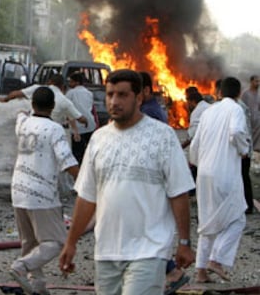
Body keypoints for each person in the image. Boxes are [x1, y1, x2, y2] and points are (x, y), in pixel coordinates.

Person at [59, 69, 195, 295]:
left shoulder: (163, 137)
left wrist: (185, 242)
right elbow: (87, 197)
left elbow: (179, 193)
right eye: (110, 94)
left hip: (149, 251)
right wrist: (71, 242)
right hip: (107, 252)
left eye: (122, 95)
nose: (114, 101)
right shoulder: (98, 139)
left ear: (139, 97)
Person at [9, 86, 79, 295]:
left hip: (18, 190)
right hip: (42, 194)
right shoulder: (54, 129)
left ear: (33, 105)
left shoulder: (23, 124)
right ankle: (21, 267)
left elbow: (19, 114)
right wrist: (87, 179)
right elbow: (67, 161)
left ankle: (37, 286)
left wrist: (22, 108)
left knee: (29, 242)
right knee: (56, 241)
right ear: (53, 106)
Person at [190, 77, 249, 283]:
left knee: (207, 223)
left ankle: (200, 271)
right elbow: (236, 131)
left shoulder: (208, 112)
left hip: (204, 173)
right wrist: (243, 149)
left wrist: (199, 164)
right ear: (238, 93)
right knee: (238, 218)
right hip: (225, 174)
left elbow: (195, 145)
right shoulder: (235, 109)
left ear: (219, 92)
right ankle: (217, 259)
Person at [139, 71, 191, 294]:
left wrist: (185, 242)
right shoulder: (152, 110)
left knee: (145, 232)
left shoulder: (149, 113)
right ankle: (169, 271)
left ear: (146, 91)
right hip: (148, 183)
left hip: (150, 183)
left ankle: (171, 271)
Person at [66, 71, 96, 164]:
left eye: (71, 81)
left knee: (77, 155)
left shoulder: (70, 93)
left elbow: (69, 111)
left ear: (77, 82)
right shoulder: (89, 93)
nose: (69, 83)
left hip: (78, 128)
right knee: (88, 152)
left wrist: (75, 131)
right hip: (90, 125)